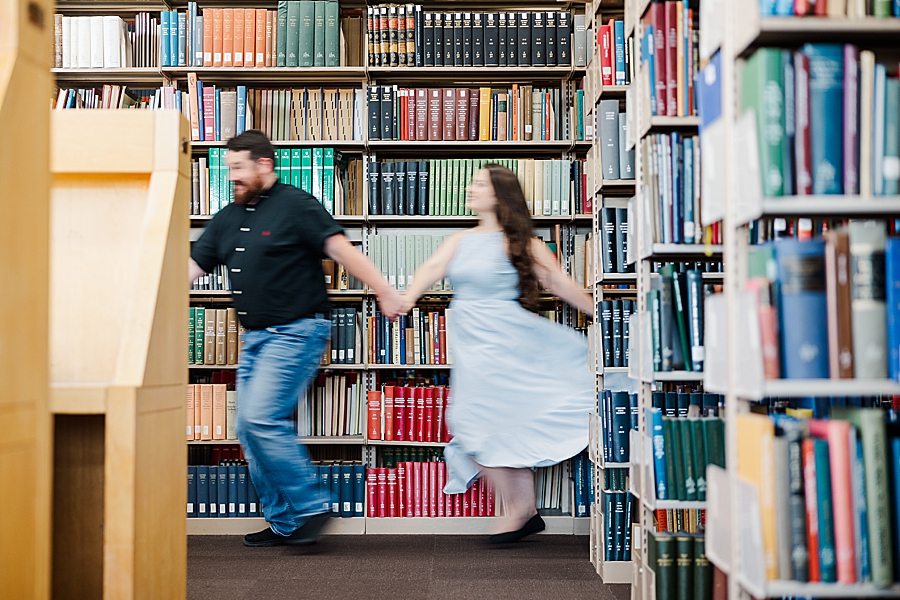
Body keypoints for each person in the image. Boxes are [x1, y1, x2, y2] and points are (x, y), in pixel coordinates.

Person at [189, 130, 402, 547]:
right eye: (228, 169)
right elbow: (193, 269)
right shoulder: (228, 217)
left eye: (238, 169)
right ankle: (286, 521)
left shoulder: (297, 204)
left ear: (263, 165)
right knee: (249, 430)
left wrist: (385, 289)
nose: (232, 177)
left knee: (261, 418)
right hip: (255, 340)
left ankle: (313, 504)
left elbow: (342, 250)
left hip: (297, 331)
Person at [400, 163, 595, 543]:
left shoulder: (521, 242)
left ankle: (520, 511)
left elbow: (556, 281)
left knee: (490, 422)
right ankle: (526, 511)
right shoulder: (459, 241)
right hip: (473, 345)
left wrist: (601, 313)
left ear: (499, 194)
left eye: (480, 184)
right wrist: (406, 299)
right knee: (482, 423)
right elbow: (430, 269)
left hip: (507, 340)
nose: (471, 189)